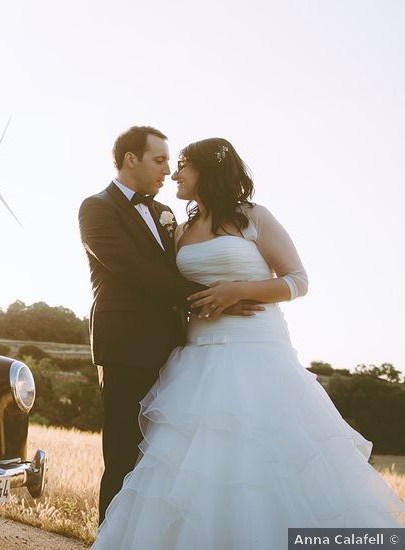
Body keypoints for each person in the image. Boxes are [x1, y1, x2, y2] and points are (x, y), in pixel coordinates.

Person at [90, 138, 405, 548]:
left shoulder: (254, 217)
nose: (174, 174)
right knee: (191, 470)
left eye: (183, 164)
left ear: (209, 171)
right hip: (196, 359)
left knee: (265, 463)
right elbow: (162, 284)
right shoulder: (179, 229)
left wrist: (240, 290)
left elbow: (298, 281)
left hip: (256, 352)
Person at [78, 127, 261, 523]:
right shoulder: (96, 208)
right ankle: (110, 538)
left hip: (176, 350)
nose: (167, 170)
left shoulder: (167, 215)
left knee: (163, 460)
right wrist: (213, 295)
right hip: (127, 348)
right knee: (125, 454)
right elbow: (134, 271)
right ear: (131, 159)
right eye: (159, 160)